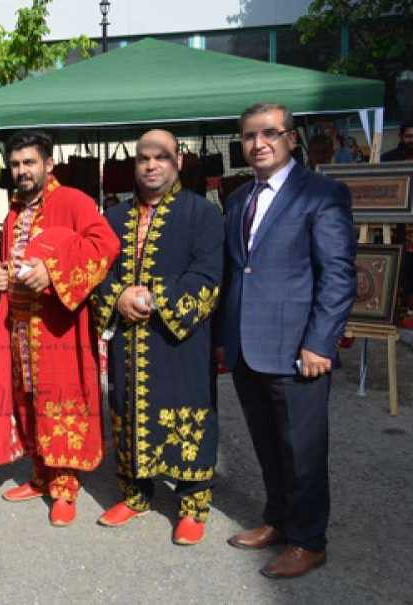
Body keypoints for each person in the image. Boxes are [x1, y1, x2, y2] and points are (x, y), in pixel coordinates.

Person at [218, 103, 356, 579]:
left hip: (299, 349)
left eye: (270, 133)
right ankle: (277, 519)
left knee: (303, 451)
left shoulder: (322, 194)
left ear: (291, 139)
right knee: (268, 445)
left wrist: (320, 342)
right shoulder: (237, 200)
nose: (258, 143)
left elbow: (337, 276)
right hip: (245, 347)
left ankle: (309, 540)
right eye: (249, 136)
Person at [92, 130, 224, 545]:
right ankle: (135, 494)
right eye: (143, 158)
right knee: (127, 413)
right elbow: (96, 277)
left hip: (179, 344)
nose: (151, 165)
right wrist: (117, 296)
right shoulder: (114, 218)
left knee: (187, 414)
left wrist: (151, 297)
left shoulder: (202, 214)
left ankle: (192, 504)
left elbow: (207, 278)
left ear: (178, 161)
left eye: (161, 157)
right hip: (127, 346)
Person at [0, 131, 120, 526]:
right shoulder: (14, 212)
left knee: (60, 402)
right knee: (28, 400)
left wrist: (53, 271)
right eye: (15, 164)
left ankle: (65, 487)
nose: (22, 171)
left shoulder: (73, 201)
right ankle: (40, 475)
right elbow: (10, 261)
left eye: (29, 162)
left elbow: (105, 244)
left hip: (56, 327)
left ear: (49, 164)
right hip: (19, 329)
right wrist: (0, 274)